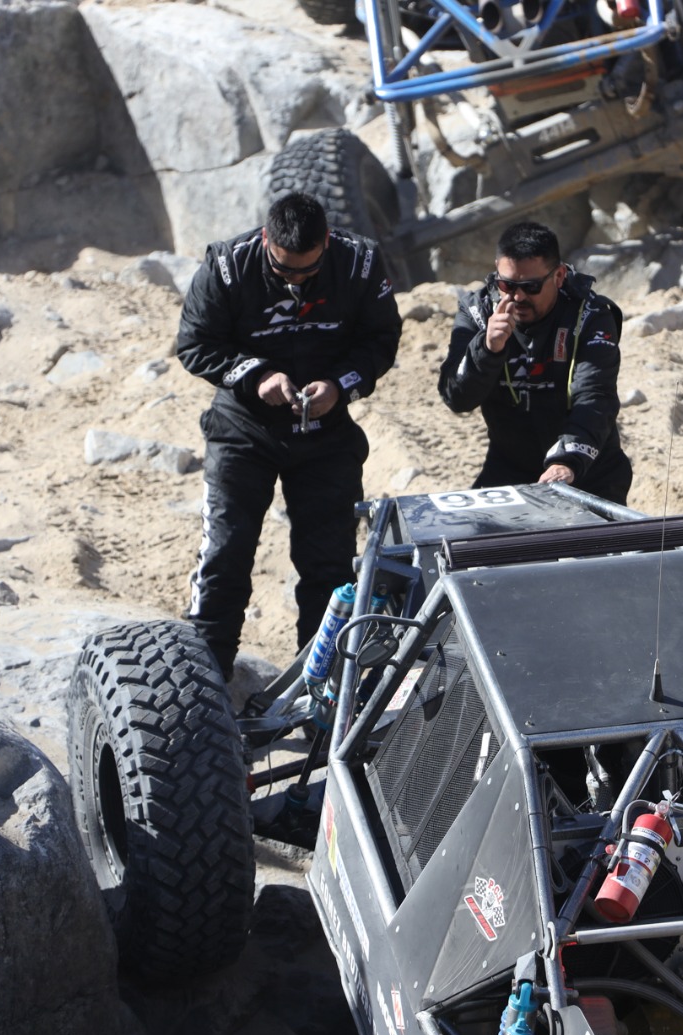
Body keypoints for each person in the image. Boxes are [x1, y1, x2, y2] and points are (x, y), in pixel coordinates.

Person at [176, 192, 401, 679]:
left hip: (325, 430)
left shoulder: (359, 262)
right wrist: (258, 376)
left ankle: (321, 688)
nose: (294, 280)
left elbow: (382, 340)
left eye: (307, 271)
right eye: (282, 271)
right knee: (225, 555)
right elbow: (194, 344)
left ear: (326, 242)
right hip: (243, 428)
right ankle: (207, 683)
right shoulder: (228, 266)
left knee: (330, 566)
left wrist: (340, 386)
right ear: (265, 241)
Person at [439, 221, 632, 503]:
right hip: (509, 470)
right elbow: (456, 397)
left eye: (530, 286)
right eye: (507, 285)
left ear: (559, 275)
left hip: (586, 470)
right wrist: (488, 349)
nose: (517, 297)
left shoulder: (591, 314)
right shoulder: (477, 311)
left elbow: (595, 397)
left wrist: (566, 462)